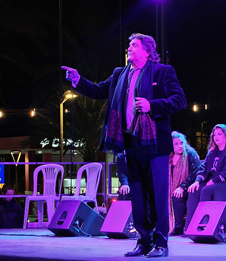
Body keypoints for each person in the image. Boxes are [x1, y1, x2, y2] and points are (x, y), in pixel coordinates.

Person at [62, 33, 186, 258]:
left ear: (148, 50)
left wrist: (152, 105)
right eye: (129, 45)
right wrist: (78, 80)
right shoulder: (120, 74)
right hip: (130, 141)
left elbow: (179, 100)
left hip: (156, 142)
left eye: (135, 45)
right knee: (138, 195)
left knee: (157, 194)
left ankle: (161, 243)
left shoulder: (162, 71)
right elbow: (99, 91)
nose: (129, 48)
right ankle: (144, 241)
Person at [184, 124, 226, 231]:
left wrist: (214, 180)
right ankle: (191, 228)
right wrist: (197, 181)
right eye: (214, 135)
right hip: (212, 184)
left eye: (219, 134)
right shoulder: (212, 152)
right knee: (194, 190)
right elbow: (204, 168)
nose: (216, 137)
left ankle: (207, 227)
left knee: (207, 190)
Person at [169, 131, 202, 236]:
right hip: (172, 187)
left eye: (182, 143)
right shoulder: (169, 156)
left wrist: (182, 187)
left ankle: (178, 227)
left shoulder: (190, 154)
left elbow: (196, 171)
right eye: (176, 144)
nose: (180, 146)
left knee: (177, 195)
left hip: (190, 186)